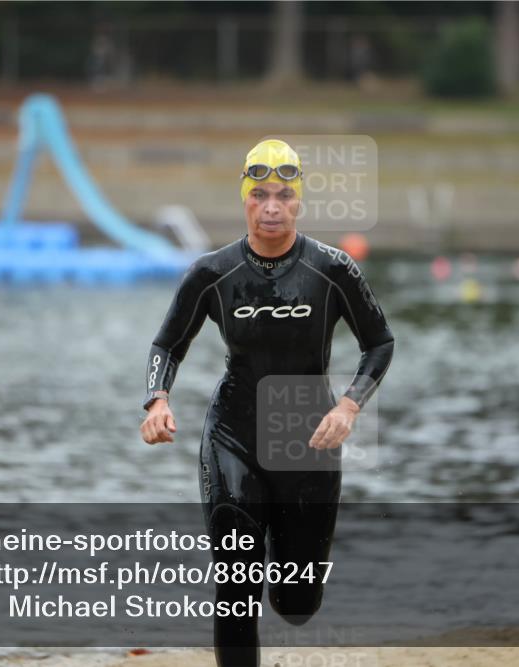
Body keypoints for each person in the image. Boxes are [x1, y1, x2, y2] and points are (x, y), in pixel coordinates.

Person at [140, 139, 394, 667]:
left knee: (297, 604)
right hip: (233, 434)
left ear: (299, 201)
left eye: (283, 195)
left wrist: (349, 406)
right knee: (237, 582)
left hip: (308, 441)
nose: (271, 207)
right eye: (259, 195)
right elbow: (167, 344)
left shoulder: (333, 269)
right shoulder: (212, 272)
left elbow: (380, 343)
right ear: (244, 199)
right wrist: (157, 399)